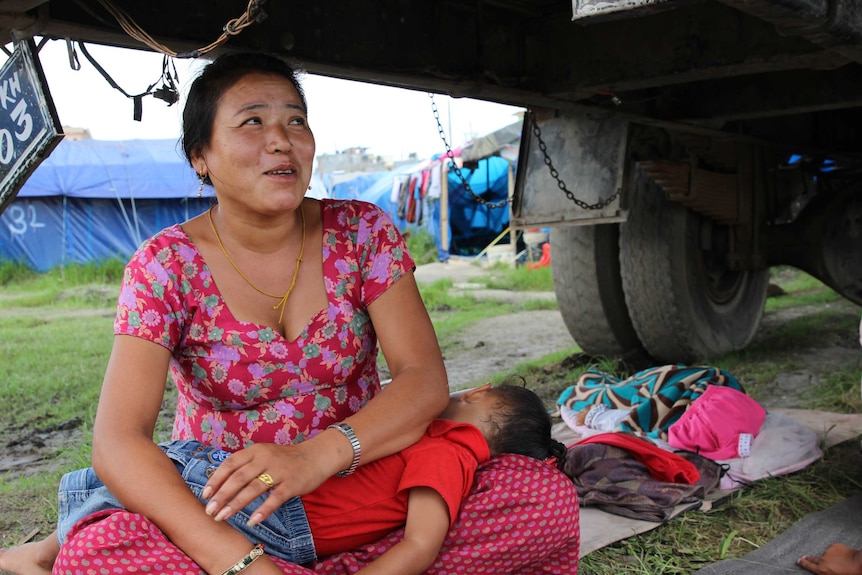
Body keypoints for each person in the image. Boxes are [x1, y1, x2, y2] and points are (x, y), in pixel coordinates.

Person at [0, 51, 579, 575]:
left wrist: (317, 455)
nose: (282, 140)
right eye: (252, 121)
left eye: (295, 121)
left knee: (542, 498)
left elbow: (424, 380)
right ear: (200, 156)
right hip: (223, 510)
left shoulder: (362, 232)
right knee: (102, 553)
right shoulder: (164, 266)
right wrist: (243, 564)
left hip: (364, 484)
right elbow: (119, 442)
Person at [0, 383, 568, 574]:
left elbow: (422, 543)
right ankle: (45, 551)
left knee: (156, 477)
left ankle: (40, 553)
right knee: (147, 487)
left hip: (280, 520)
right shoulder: (443, 448)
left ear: (477, 399)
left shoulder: (447, 448)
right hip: (285, 518)